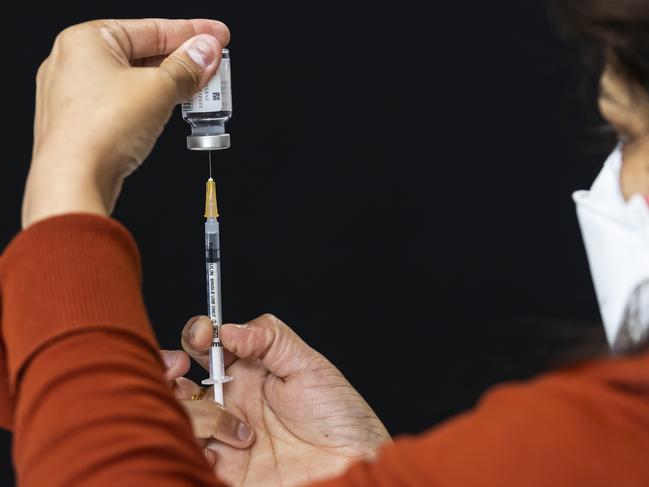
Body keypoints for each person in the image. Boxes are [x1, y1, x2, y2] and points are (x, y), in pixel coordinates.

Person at [2, 3, 649, 485]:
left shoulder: (605, 436)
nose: (613, 179)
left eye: (625, 133)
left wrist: (66, 183)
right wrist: (363, 472)